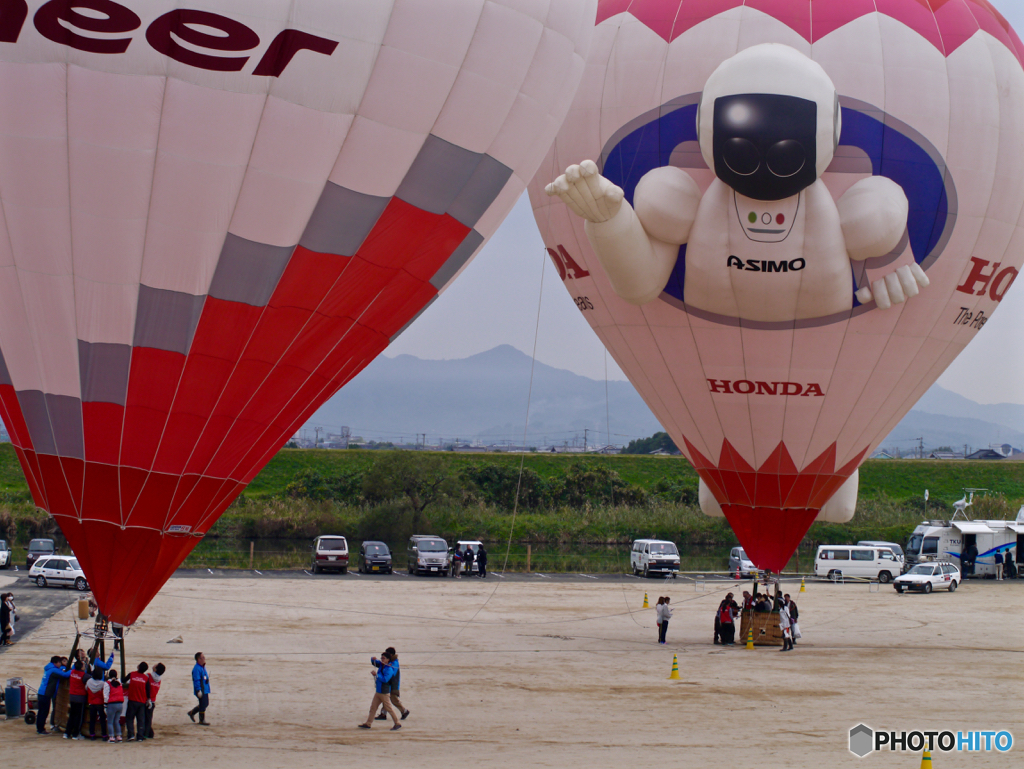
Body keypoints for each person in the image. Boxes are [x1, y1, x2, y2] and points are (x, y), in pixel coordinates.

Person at [359, 651, 401, 730]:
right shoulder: (383, 665)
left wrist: (376, 675)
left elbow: (385, 679)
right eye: (381, 658)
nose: (381, 659)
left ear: (388, 659)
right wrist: (373, 658)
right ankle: (368, 723)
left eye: (383, 658)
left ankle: (397, 723)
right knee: (373, 708)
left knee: (389, 708)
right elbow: (375, 661)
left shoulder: (389, 669)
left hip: (384, 693)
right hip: (378, 692)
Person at [36, 655, 70, 735]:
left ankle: (39, 728)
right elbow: (65, 675)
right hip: (46, 694)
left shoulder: (49, 668)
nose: (60, 665)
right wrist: (74, 670)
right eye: (59, 663)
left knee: (41, 711)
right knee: (44, 712)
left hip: (41, 692)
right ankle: (41, 729)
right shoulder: (54, 670)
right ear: (56, 663)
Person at [374, 647, 410, 722]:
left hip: (393, 685)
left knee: (393, 700)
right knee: (385, 698)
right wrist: (374, 660)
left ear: (391, 654)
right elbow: (380, 664)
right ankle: (383, 714)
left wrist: (386, 667)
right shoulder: (390, 661)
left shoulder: (394, 663)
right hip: (388, 685)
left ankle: (404, 711)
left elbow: (391, 674)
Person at [124, 661, 150, 741]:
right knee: (140, 720)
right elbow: (148, 690)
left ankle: (131, 735)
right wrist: (148, 700)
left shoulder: (132, 674)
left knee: (129, 718)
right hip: (141, 701)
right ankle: (140, 736)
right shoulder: (146, 678)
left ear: (138, 667)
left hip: (132, 700)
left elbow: (123, 680)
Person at [65, 659, 88, 740]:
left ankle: (67, 733)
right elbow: (91, 678)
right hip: (80, 698)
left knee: (72, 715)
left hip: (72, 696)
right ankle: (76, 734)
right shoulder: (83, 675)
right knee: (79, 717)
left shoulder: (72, 672)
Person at [85, 668, 109, 741]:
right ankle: (104, 735)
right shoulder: (103, 683)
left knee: (92, 720)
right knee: (102, 720)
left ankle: (92, 734)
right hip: (100, 704)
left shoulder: (89, 681)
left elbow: (86, 689)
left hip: (92, 703)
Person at [189, 652, 211, 725]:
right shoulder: (197, 669)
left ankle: (192, 712)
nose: (204, 659)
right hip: (201, 689)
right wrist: (198, 690)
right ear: (199, 659)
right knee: (203, 704)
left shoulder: (202, 667)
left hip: (205, 689)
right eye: (203, 657)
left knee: (205, 703)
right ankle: (202, 720)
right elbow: (197, 680)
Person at [145, 662, 165, 738]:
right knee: (149, 718)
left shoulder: (148, 676)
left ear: (155, 669)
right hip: (153, 701)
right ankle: (149, 733)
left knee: (145, 718)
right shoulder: (159, 679)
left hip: (146, 700)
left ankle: (146, 734)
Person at [105, 671, 124, 743]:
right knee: (116, 721)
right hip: (120, 704)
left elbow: (105, 696)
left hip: (112, 704)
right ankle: (119, 737)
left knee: (110, 722)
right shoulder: (120, 683)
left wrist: (105, 705)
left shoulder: (107, 683)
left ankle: (111, 737)